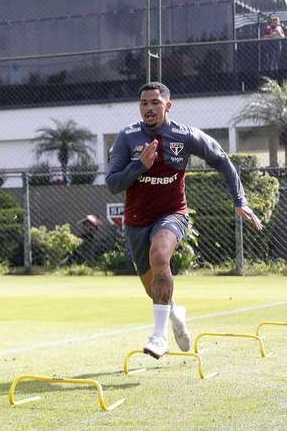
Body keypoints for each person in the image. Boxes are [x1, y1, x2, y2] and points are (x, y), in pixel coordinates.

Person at [105, 82, 262, 359]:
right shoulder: (127, 137)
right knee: (152, 288)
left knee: (160, 253)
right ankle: (175, 313)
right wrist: (140, 165)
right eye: (144, 103)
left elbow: (221, 159)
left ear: (168, 105)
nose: (149, 108)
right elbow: (113, 184)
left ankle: (158, 337)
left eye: (155, 102)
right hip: (136, 221)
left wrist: (241, 201)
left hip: (173, 214)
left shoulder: (184, 135)